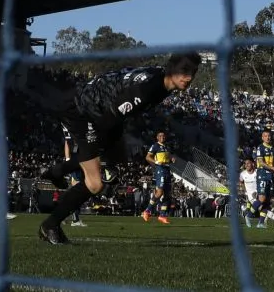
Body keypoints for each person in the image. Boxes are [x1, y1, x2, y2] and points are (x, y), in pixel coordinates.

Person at [37, 52, 201, 245]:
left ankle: (57, 171)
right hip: (84, 112)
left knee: (115, 159)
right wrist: (104, 155)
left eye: (193, 72)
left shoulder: (160, 80)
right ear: (172, 68)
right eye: (184, 71)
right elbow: (109, 117)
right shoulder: (150, 88)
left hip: (99, 109)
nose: (189, 77)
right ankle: (50, 225)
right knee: (96, 183)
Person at [142, 130, 174, 224]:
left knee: (167, 194)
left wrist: (171, 160)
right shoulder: (155, 146)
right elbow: (147, 157)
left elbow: (166, 159)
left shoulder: (166, 147)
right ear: (157, 137)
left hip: (167, 170)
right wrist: (156, 162)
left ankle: (162, 215)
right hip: (160, 170)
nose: (162, 137)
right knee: (159, 192)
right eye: (160, 136)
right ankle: (147, 211)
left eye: (164, 136)